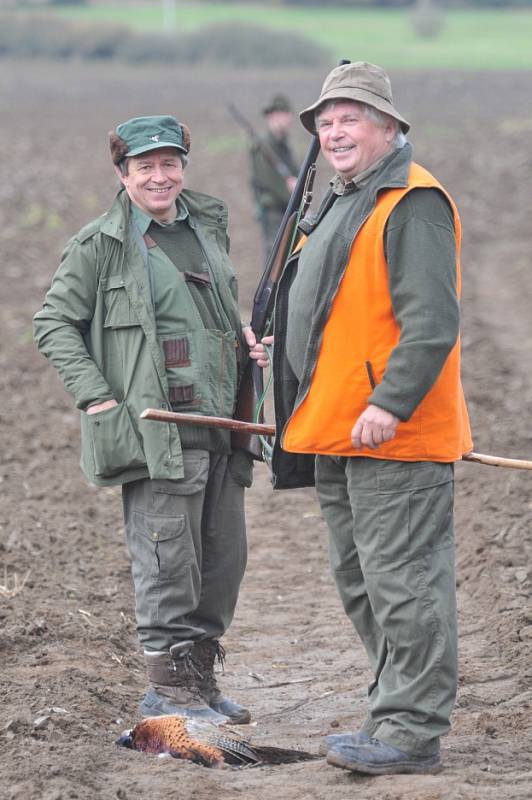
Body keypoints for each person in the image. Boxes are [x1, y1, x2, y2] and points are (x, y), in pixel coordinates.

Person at [270, 62, 473, 774]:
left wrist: (390, 401)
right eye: (325, 123)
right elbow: (332, 303)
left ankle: (413, 732)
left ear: (390, 127)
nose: (334, 132)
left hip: (393, 434)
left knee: (405, 581)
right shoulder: (342, 199)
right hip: (337, 428)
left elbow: (431, 322)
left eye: (350, 117)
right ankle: (393, 708)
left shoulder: (411, 202)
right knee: (361, 580)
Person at [34, 115, 267, 726]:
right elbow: (53, 323)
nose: (160, 177)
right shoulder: (100, 245)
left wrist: (244, 342)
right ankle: (166, 694)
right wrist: (96, 397)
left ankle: (202, 683)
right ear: (123, 174)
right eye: (145, 167)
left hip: (223, 425)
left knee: (222, 561)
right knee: (167, 561)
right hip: (157, 428)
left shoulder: (204, 227)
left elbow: (205, 310)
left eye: (169, 164)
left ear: (183, 167)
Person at [249, 93, 299, 258]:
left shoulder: (283, 143)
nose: (288, 118)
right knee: (275, 255)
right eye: (283, 114)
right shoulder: (262, 145)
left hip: (288, 209)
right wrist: (293, 194)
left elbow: (295, 170)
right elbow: (268, 181)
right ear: (272, 116)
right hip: (273, 210)